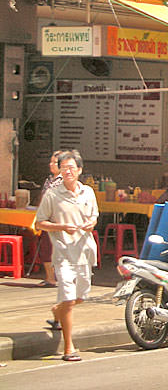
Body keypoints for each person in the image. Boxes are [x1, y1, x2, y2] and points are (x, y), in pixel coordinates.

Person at [35, 149, 98, 362]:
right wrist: (61, 226)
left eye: (71, 168)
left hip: (84, 252)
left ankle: (57, 310)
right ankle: (68, 347)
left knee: (80, 297)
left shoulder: (88, 192)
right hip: (63, 253)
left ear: (79, 170)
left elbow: (94, 216)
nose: (67, 172)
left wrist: (90, 224)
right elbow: (39, 222)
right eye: (64, 168)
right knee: (69, 300)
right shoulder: (52, 195)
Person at [36, 150, 65, 287]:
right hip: (46, 219)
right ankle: (50, 277)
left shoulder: (64, 180)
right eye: (51, 161)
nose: (51, 164)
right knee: (46, 247)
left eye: (54, 162)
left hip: (58, 220)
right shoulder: (49, 180)